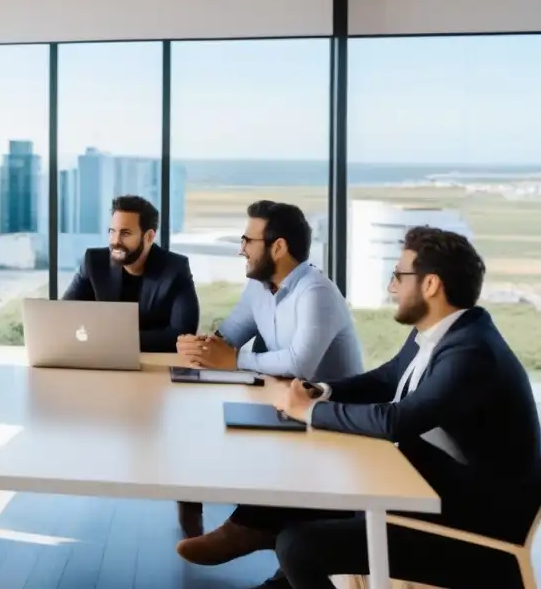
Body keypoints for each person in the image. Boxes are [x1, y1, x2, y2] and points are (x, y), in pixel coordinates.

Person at [179, 226, 541, 589]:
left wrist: (309, 412)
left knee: (299, 545)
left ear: (430, 285)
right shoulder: (442, 332)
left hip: (469, 528)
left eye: (399, 276)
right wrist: (319, 391)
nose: (392, 287)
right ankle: (249, 537)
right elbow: (387, 379)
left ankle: (252, 539)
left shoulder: (472, 353)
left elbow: (396, 420)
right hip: (431, 488)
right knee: (308, 483)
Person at [173, 200, 363, 540]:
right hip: (290, 409)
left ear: (278, 247)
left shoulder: (315, 292)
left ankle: (248, 530)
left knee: (231, 429)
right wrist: (199, 346)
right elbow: (228, 336)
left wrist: (234, 360)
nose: (241, 250)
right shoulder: (260, 288)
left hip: (332, 420)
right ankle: (245, 526)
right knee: (202, 417)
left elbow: (298, 364)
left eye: (248, 241)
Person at [62, 195, 200, 354]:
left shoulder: (175, 269)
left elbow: (183, 335)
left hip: (151, 366)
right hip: (101, 359)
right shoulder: (94, 262)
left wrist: (112, 339)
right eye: (112, 231)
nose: (115, 241)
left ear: (149, 237)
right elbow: (65, 315)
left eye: (125, 233)